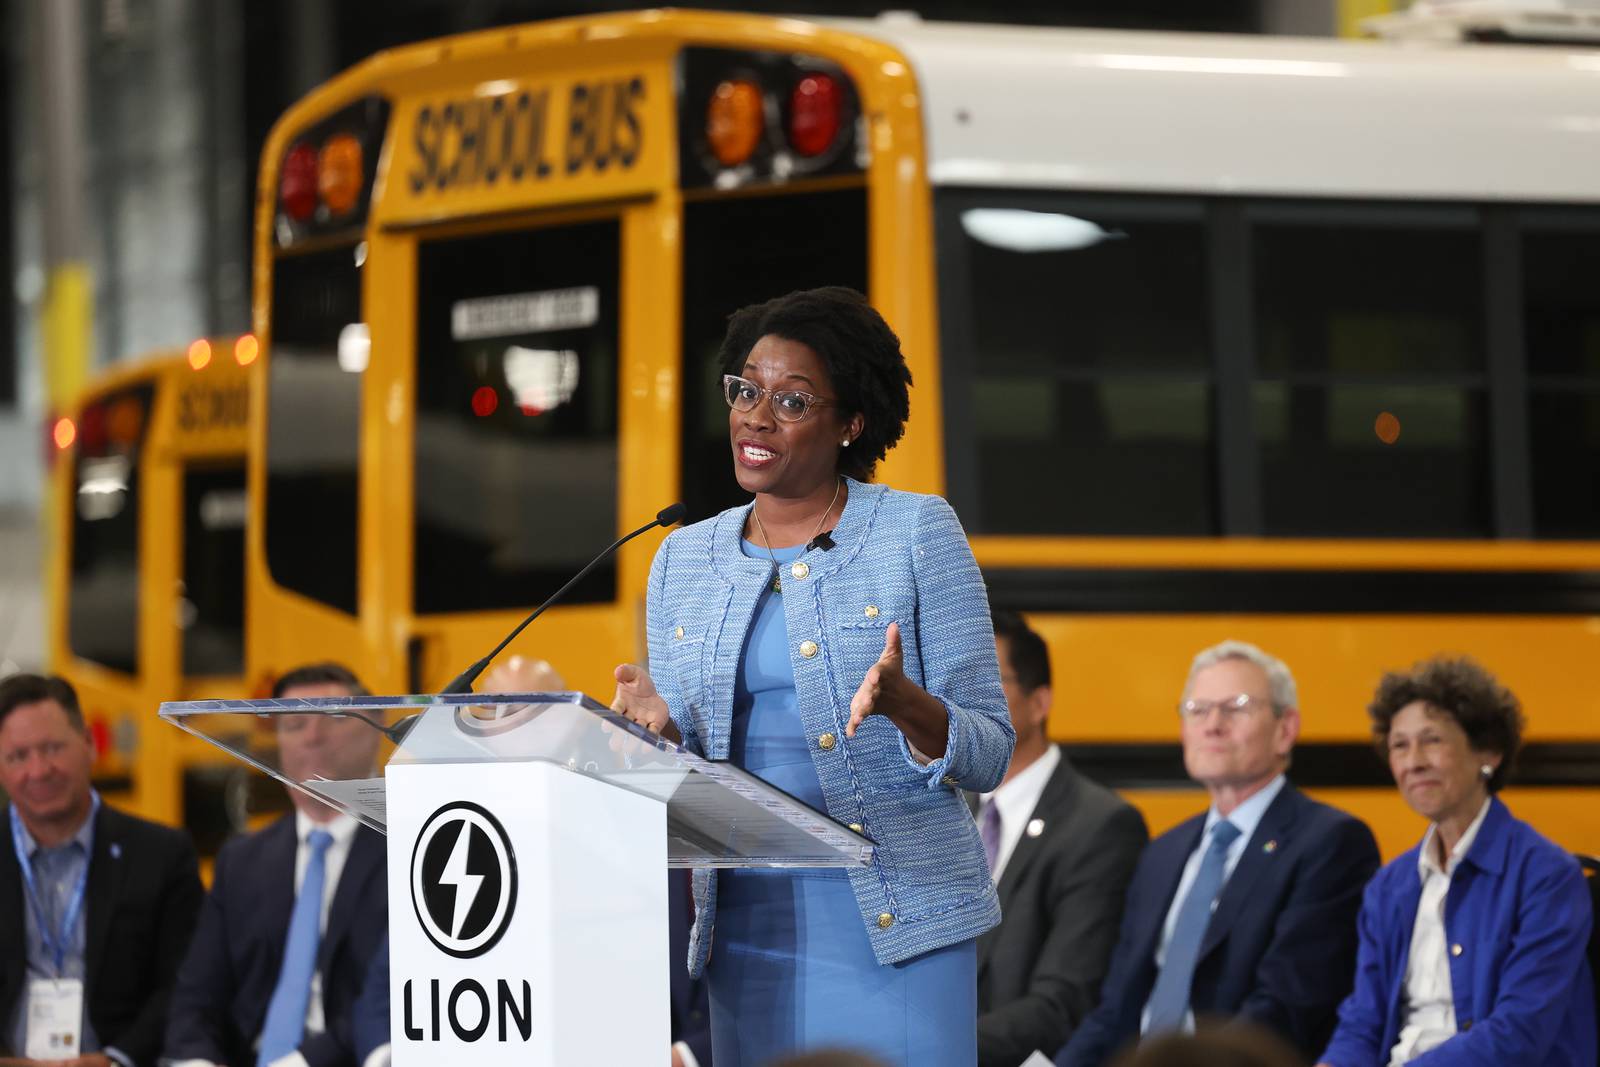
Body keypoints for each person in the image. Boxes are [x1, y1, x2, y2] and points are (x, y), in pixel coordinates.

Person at [610, 286, 1015, 1067]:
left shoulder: (915, 530)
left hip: (897, 926)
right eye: (745, 389)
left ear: (850, 422)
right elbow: (693, 765)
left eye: (791, 400)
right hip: (746, 931)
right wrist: (652, 735)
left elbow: (991, 747)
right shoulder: (680, 559)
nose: (756, 416)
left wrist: (908, 707)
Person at [1055, 640, 1380, 1067]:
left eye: (1237, 707)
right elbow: (1115, 1012)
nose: (1212, 725)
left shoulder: (1331, 843)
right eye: (1197, 709)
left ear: (1286, 729)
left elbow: (1284, 1010)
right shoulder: (1163, 854)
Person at [1316, 656, 1596, 1067]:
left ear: (1489, 753)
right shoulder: (1389, 885)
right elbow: (1363, 1022)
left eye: (1432, 740)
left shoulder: (1547, 875)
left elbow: (1518, 1035)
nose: (1413, 762)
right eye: (1399, 745)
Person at [164, 664, 388, 1067]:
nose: (312, 737)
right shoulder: (242, 859)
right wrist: (196, 1060)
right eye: (294, 724)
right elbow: (197, 995)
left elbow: (392, 1000)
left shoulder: (409, 849)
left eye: (330, 717)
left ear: (375, 724)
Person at [0, 673, 203, 1067]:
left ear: (90, 744)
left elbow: (186, 982)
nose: (39, 770)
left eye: (52, 748)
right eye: (18, 756)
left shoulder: (160, 854)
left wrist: (114, 1059)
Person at [974, 609, 1148, 1067]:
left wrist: (937, 1049)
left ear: (1040, 701)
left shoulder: (1102, 826)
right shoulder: (946, 810)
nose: (963, 700)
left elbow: (1065, 1000)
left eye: (987, 679)